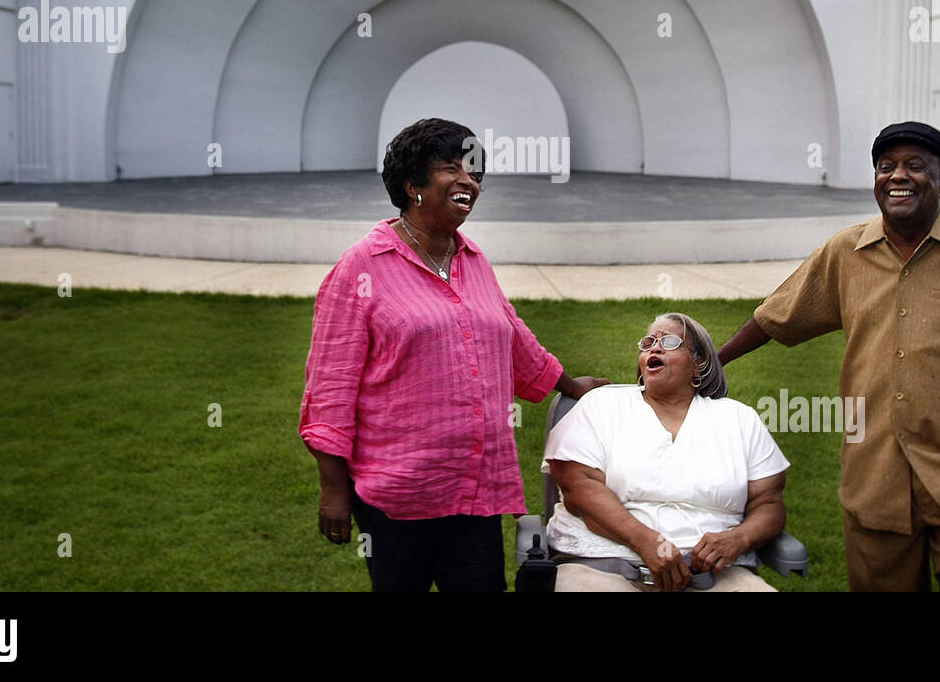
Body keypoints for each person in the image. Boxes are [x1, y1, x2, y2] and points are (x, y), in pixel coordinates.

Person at [717, 121, 940, 591]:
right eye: (886, 167)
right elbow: (777, 315)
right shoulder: (847, 252)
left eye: (915, 166)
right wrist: (715, 360)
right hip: (876, 484)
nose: (898, 176)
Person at [299, 118, 605, 592]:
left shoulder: (471, 259)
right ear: (412, 184)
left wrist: (570, 386)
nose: (469, 182)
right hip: (398, 495)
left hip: (472, 484)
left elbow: (511, 336)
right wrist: (333, 490)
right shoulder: (362, 266)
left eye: (475, 173)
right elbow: (331, 387)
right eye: (451, 169)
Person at [543, 312, 789, 592]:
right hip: (605, 565)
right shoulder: (601, 405)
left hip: (716, 575)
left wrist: (739, 539)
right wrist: (648, 542)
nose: (654, 347)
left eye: (670, 341)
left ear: (699, 364)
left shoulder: (739, 419)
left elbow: (769, 504)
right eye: (648, 342)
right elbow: (578, 488)